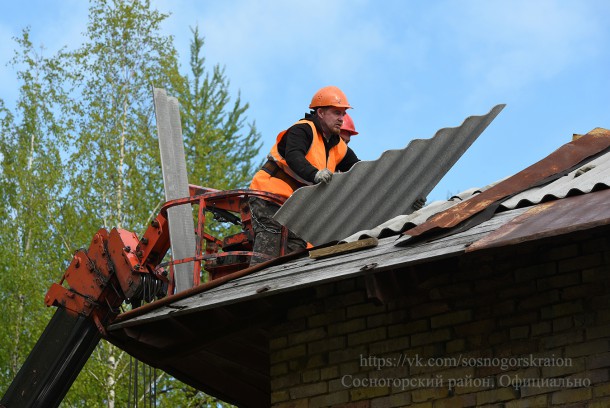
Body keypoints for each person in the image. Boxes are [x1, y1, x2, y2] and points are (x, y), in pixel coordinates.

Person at [248, 85, 360, 265]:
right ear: (321, 113)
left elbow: (358, 169)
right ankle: (254, 288)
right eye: (336, 113)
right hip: (269, 196)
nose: (341, 119)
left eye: (343, 114)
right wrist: (315, 174)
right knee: (270, 243)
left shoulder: (337, 145)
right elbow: (294, 156)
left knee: (298, 249)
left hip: (295, 204)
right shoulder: (303, 130)